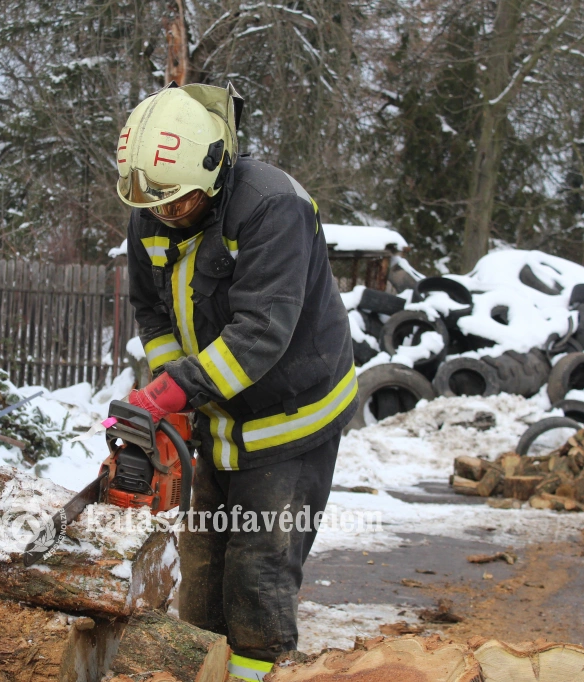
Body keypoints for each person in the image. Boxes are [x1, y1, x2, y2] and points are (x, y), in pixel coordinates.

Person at [116, 84, 357, 679]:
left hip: (292, 418)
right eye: (157, 205)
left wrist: (174, 391)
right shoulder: (155, 205)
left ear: (214, 164)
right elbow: (150, 310)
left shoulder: (274, 207)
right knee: (201, 580)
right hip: (218, 418)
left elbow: (260, 332)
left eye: (178, 203)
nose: (166, 215)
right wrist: (172, 387)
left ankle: (261, 671)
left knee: (258, 574)